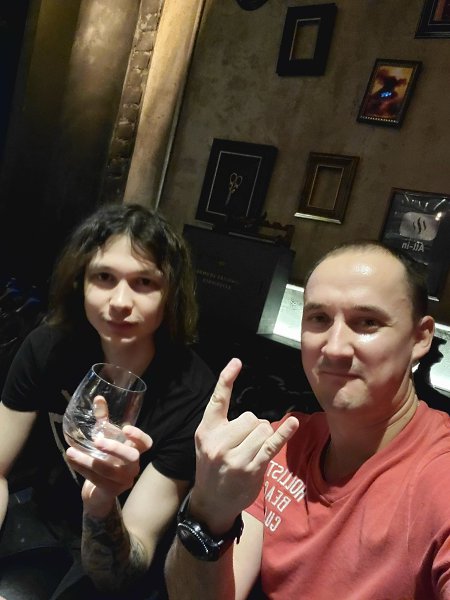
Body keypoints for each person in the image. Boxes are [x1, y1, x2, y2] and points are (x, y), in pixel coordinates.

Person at [165, 240, 450, 599]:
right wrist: (207, 509)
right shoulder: (283, 447)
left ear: (420, 338)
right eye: (319, 319)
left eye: (367, 322)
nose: (334, 347)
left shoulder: (439, 475)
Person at [0, 202, 215, 599]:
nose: (119, 301)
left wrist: (102, 502)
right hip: (41, 519)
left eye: (144, 282)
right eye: (104, 277)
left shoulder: (191, 390)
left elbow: (127, 564)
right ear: (80, 281)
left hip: (118, 550)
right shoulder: (47, 348)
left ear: (170, 294)